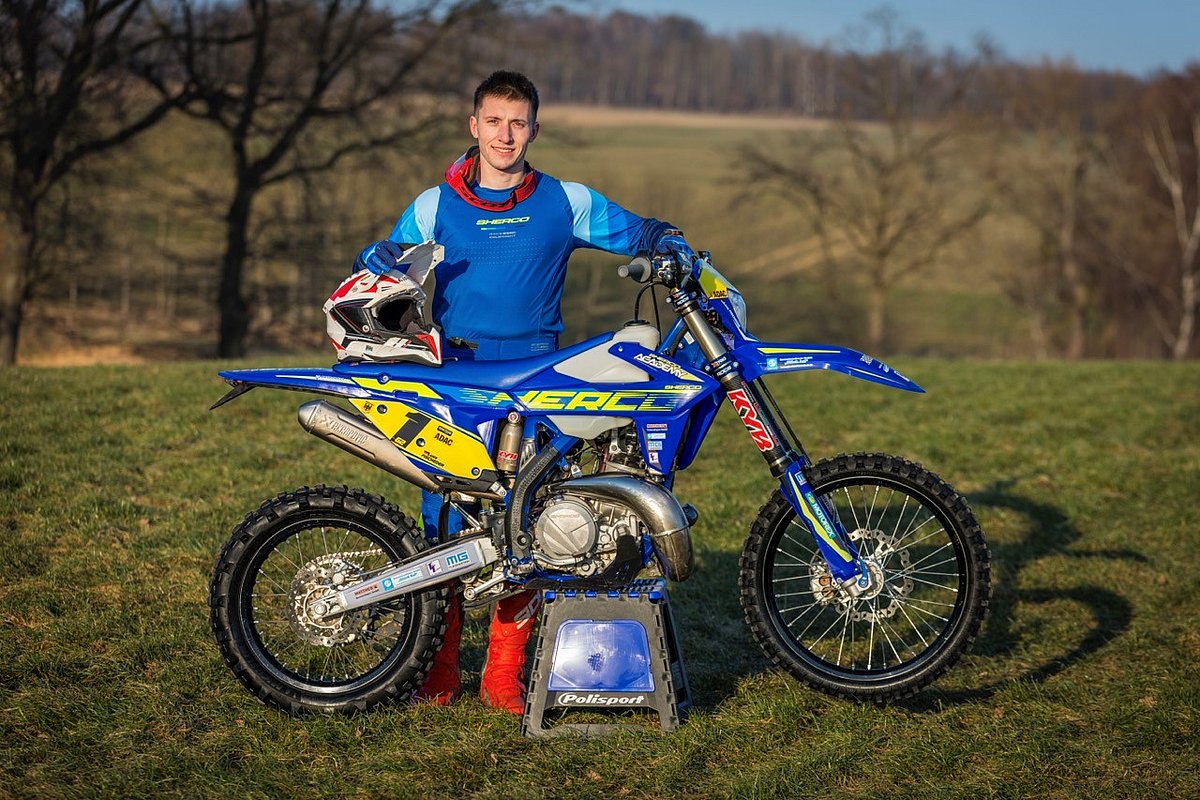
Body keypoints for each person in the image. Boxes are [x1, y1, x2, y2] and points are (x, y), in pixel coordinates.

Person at [353, 70, 688, 714]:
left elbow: (641, 231)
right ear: (473, 126)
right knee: (444, 519)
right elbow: (384, 268)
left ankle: (503, 676)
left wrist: (665, 239)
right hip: (453, 377)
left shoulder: (567, 201)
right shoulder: (433, 206)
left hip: (539, 381)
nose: (505, 135)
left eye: (517, 123)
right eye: (494, 121)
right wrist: (374, 256)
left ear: (534, 129)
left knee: (526, 524)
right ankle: (438, 669)